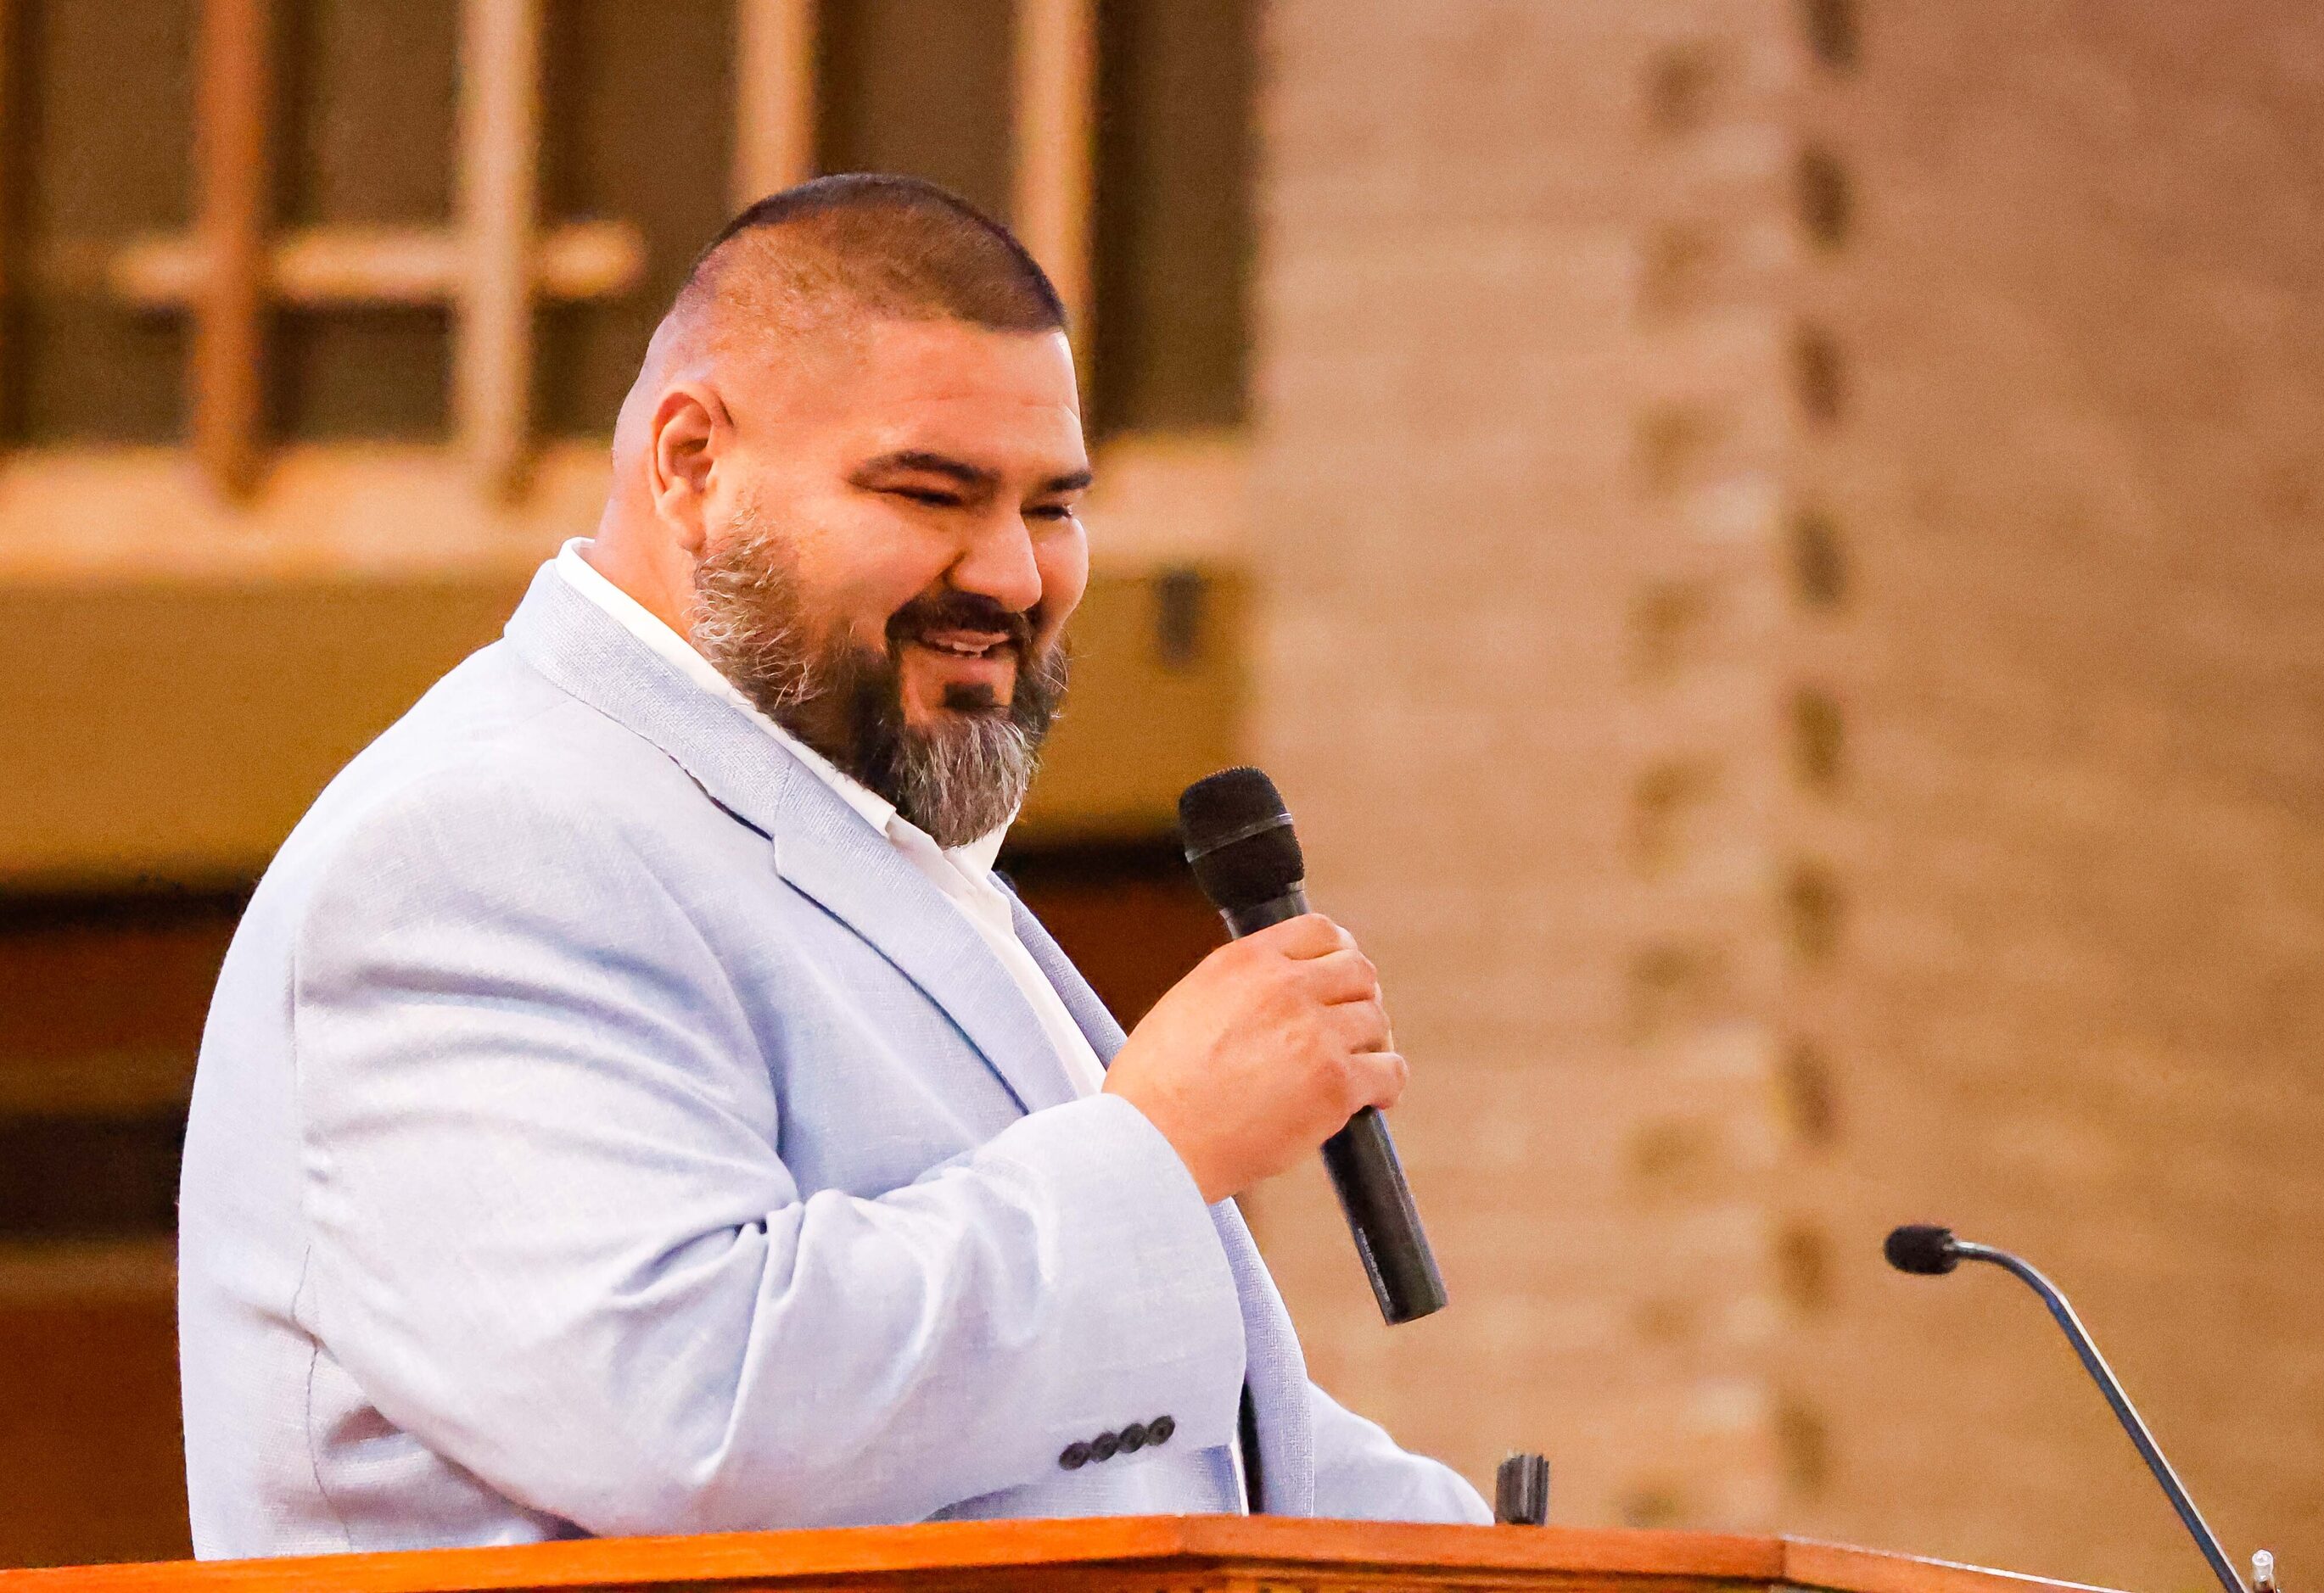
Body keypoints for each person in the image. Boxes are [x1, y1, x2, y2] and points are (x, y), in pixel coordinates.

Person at [177, 174, 1488, 1558]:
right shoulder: (478, 845)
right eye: (932, 491)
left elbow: (1148, 1450)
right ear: (691, 465)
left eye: (1051, 507)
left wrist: (1492, 1557)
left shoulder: (856, 846)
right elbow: (694, 1411)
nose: (1012, 574)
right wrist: (1160, 1148)